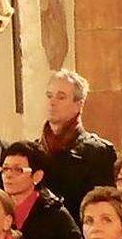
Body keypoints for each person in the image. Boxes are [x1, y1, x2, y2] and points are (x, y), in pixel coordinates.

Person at [0, 141, 85, 239]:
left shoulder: (55, 215)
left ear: (37, 176)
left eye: (17, 170)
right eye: (5, 169)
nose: (8, 175)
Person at [36, 70, 116, 221]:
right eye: (49, 96)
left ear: (79, 105)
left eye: (61, 97)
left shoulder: (98, 153)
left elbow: (105, 207)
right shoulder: (33, 151)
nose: (52, 102)